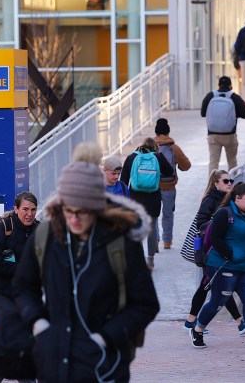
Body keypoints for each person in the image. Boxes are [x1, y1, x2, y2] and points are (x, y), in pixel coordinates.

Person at [14, 142, 159, 382]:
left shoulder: (120, 241)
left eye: (83, 211)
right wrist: (38, 323)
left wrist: (104, 338)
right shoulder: (47, 236)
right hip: (55, 364)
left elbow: (145, 304)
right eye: (69, 210)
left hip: (105, 366)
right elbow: (22, 286)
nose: (74, 218)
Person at [191, 182, 245, 349]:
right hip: (224, 265)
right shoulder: (224, 213)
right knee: (218, 302)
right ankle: (197, 329)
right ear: (237, 198)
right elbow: (215, 238)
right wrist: (228, 254)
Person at [0, 191, 39, 383]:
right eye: (25, 209)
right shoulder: (4, 227)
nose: (29, 214)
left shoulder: (38, 230)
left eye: (33, 210)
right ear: (16, 209)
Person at [183, 170, 245, 335]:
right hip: (210, 249)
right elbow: (201, 224)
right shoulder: (210, 200)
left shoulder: (227, 200)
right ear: (216, 183)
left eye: (231, 181)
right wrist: (216, 224)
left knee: (208, 286)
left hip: (219, 248)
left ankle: (191, 321)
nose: (229, 184)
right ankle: (240, 323)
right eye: (226, 181)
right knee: (220, 286)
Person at [120, 137, 174, 270]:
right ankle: (150, 259)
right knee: (151, 229)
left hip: (135, 199)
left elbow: (124, 181)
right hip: (153, 198)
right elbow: (169, 171)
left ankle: (137, 259)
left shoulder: (132, 157)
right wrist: (159, 156)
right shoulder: (156, 156)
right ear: (155, 147)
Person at [153, 118, 191, 250]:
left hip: (152, 187)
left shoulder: (150, 147)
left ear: (156, 132)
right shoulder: (173, 147)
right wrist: (176, 165)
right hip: (169, 186)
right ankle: (167, 242)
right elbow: (186, 166)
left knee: (153, 214)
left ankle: (154, 241)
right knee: (168, 213)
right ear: (168, 132)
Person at [200, 76, 245, 173]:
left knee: (213, 162)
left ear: (218, 85)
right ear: (230, 86)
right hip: (230, 135)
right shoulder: (234, 97)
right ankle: (233, 184)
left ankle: (212, 185)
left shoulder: (210, 96)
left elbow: (203, 114)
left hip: (213, 134)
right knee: (232, 162)